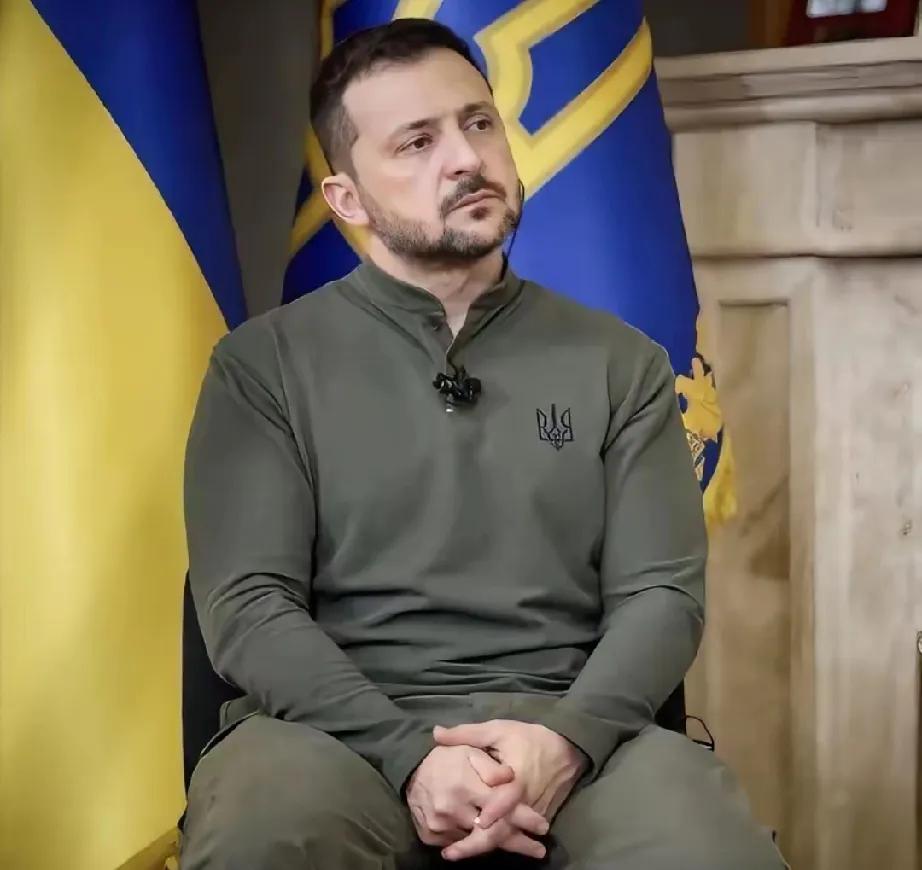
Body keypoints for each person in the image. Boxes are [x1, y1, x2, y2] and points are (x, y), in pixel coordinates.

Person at [179, 17, 786, 870]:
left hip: (572, 729)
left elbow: (662, 596)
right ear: (347, 200)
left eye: (477, 122)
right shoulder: (261, 368)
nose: (465, 158)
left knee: (709, 852)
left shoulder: (622, 363)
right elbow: (248, 608)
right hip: (332, 736)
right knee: (267, 837)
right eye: (416, 142)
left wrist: (566, 742)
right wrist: (409, 756)